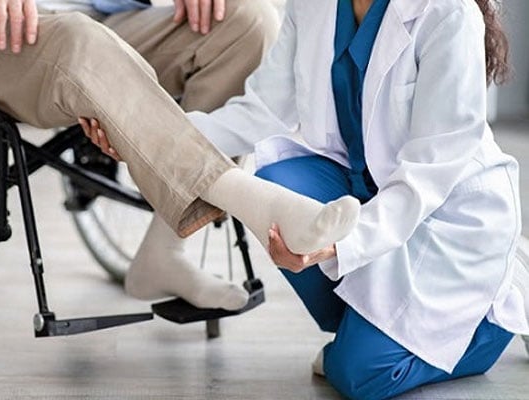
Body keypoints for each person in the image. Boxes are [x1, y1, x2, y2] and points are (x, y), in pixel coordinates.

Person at [88, 0, 529, 398]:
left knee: (360, 376)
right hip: (362, 192)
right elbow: (259, 113)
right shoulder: (314, 4)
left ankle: (495, 317)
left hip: (443, 218)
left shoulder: (447, 13)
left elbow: (429, 175)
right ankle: (368, 326)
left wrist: (340, 247)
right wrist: (145, 137)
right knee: (277, 179)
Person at [0, 0, 360, 311]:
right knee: (80, 38)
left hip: (110, 15)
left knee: (247, 19)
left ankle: (163, 251)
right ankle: (254, 201)